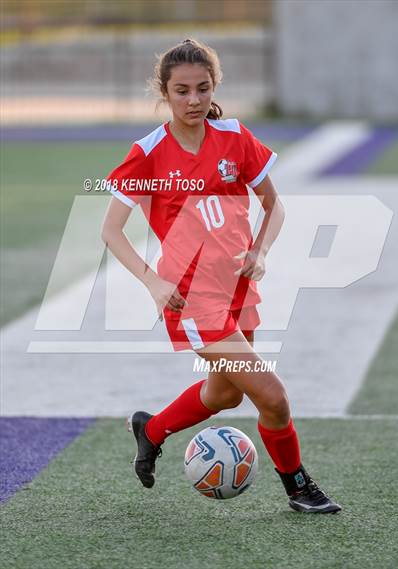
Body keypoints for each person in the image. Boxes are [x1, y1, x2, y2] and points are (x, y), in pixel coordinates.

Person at [101, 38, 341, 514]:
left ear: (215, 88)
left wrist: (260, 249)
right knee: (272, 395)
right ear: (164, 92)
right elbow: (111, 230)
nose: (193, 100)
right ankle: (299, 488)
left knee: (224, 393)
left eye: (202, 89)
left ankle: (150, 431)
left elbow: (274, 206)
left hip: (238, 289)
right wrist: (152, 280)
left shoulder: (235, 137)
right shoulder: (149, 153)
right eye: (182, 91)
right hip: (190, 298)